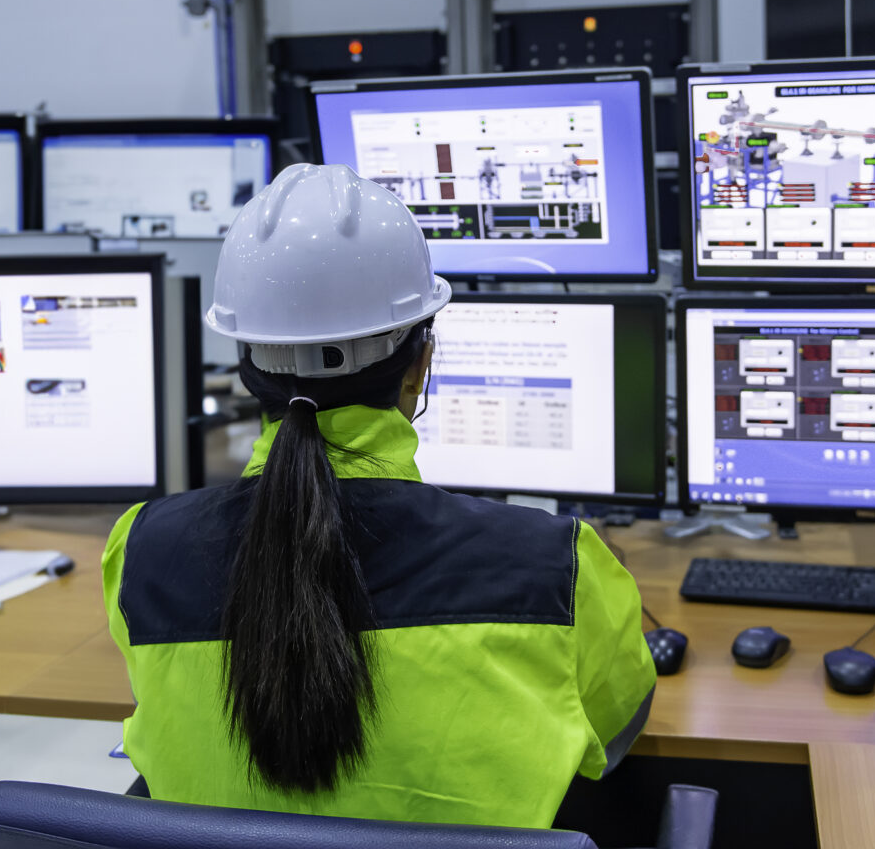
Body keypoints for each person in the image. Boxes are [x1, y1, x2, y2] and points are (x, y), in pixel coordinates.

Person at [102, 163, 656, 828]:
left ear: (247, 368)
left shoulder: (142, 548)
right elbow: (614, 731)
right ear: (420, 365)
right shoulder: (554, 565)